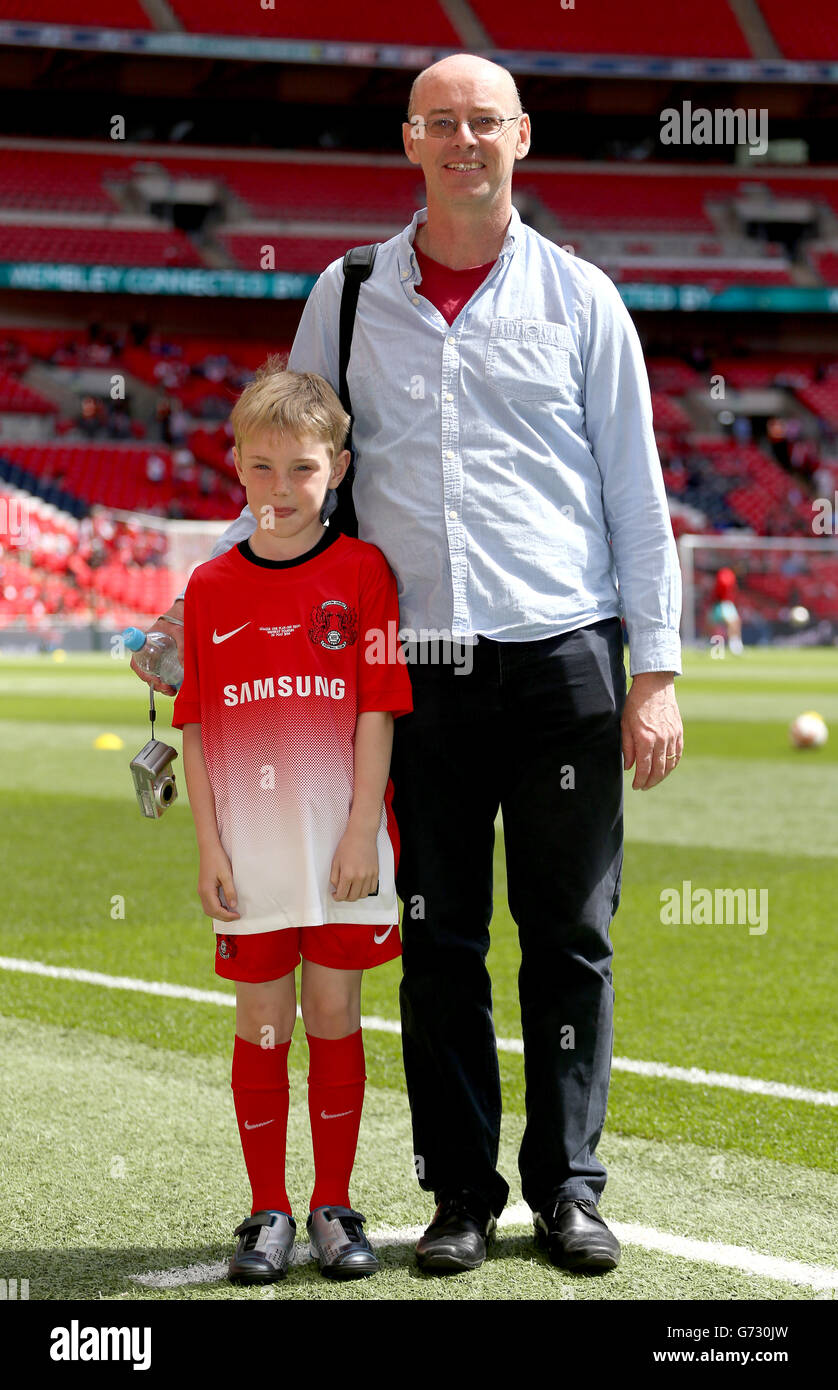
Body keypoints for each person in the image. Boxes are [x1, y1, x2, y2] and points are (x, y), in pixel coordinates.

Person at [139, 52, 683, 1277]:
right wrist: (194, 611)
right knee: (439, 939)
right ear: (408, 141)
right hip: (412, 672)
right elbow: (294, 473)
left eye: (482, 121)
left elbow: (638, 501)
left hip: (562, 657)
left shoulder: (585, 298)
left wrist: (656, 673)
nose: (462, 141)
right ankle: (460, 1193)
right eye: (439, 122)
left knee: (570, 936)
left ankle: (569, 1187)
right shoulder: (344, 293)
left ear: (521, 138)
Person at [171, 364, 413, 1282]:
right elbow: (193, 726)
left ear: (339, 469)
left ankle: (333, 1206)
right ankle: (267, 1209)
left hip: (345, 854)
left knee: (334, 1016)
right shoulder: (209, 587)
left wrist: (361, 829)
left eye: (303, 470)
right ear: (236, 467)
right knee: (264, 1025)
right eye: (264, 468)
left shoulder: (363, 573)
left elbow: (376, 709)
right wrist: (207, 846)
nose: (282, 489)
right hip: (253, 857)